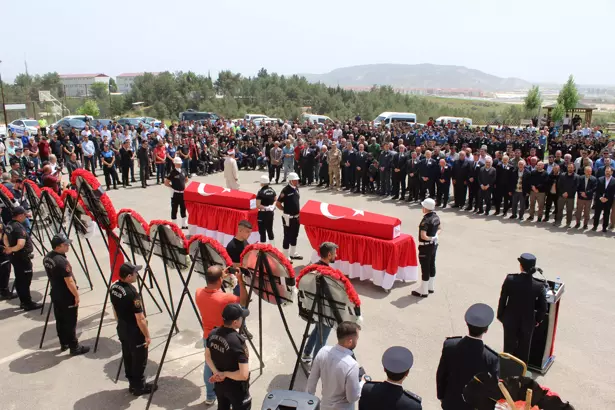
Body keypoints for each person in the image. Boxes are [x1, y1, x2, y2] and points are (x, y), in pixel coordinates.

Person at [196, 266, 248, 406]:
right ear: (220, 279)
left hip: (209, 335)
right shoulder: (225, 298)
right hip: (225, 337)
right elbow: (243, 301)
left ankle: (210, 395)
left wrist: (219, 278)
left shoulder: (198, 292)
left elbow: (210, 286)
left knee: (209, 365)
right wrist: (240, 281)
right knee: (227, 366)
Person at [436, 303, 499, 410]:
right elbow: (493, 389)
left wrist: (442, 397)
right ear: (486, 330)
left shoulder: (450, 345)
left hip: (450, 402)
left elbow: (441, 374)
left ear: (467, 324)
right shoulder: (491, 358)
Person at [110, 262, 156, 396]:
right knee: (139, 359)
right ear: (129, 276)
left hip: (122, 327)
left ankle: (132, 383)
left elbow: (114, 308)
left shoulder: (114, 287)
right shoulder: (132, 293)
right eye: (135, 273)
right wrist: (147, 335)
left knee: (128, 355)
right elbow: (140, 318)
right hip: (134, 330)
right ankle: (139, 387)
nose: (137, 274)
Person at [497, 253, 548, 366]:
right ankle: (520, 375)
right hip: (528, 322)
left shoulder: (510, 279)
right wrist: (537, 321)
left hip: (509, 320)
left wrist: (501, 315)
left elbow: (503, 299)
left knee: (508, 347)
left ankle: (506, 373)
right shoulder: (538, 285)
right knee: (524, 349)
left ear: (521, 266)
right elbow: (543, 307)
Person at [43, 234, 89, 355]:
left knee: (60, 319)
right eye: (65, 244)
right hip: (66, 295)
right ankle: (74, 346)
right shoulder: (61, 261)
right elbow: (69, 281)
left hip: (56, 292)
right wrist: (76, 295)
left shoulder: (48, 257)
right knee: (70, 321)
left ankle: (64, 343)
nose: (68, 246)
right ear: (58, 247)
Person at [306, 321, 364, 410]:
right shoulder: (352, 365)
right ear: (350, 341)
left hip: (324, 406)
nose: (357, 341)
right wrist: (362, 383)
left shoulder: (323, 351)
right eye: (357, 338)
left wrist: (309, 403)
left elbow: (312, 381)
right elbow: (352, 397)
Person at [205, 303, 252, 410]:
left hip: (220, 385)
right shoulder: (237, 342)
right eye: (242, 318)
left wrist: (216, 372)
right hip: (236, 388)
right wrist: (224, 374)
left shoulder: (213, 333)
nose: (243, 320)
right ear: (235, 322)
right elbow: (243, 375)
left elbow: (207, 356)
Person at [301, 242, 338, 363]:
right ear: (328, 255)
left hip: (313, 307)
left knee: (317, 329)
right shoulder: (328, 273)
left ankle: (307, 352)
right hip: (325, 310)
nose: (336, 256)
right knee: (322, 338)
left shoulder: (312, 268)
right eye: (334, 254)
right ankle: (317, 364)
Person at [3, 207, 41, 310]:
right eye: (24, 215)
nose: (25, 217)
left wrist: (8, 248)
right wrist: (11, 249)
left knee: (19, 279)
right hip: (22, 258)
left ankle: (24, 301)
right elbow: (20, 244)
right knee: (25, 280)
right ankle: (27, 303)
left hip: (15, 258)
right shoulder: (18, 227)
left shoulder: (9, 225)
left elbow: (5, 237)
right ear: (19, 216)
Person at [412, 198, 441, 298]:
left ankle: (423, 290)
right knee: (432, 264)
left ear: (425, 208)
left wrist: (431, 238)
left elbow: (423, 235)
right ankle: (430, 286)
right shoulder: (436, 217)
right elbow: (440, 228)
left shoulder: (425, 221)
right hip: (434, 245)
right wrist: (435, 236)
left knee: (425, 267)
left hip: (425, 246)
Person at [276, 172, 303, 261]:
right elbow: (278, 203)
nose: (297, 181)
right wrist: (285, 210)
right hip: (288, 217)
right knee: (287, 235)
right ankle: (285, 255)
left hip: (296, 217)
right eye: (295, 180)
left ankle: (293, 253)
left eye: (297, 180)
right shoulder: (285, 190)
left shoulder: (296, 188)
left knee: (295, 235)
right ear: (291, 180)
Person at [164, 157, 188, 229]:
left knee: (183, 208)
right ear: (175, 164)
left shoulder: (183, 170)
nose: (180, 165)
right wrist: (172, 187)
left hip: (182, 193)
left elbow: (186, 179)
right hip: (175, 193)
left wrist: (182, 185)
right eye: (178, 164)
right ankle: (174, 225)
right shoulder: (172, 172)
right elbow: (166, 182)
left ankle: (184, 224)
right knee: (174, 209)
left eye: (180, 163)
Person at [593, 166, 615, 232]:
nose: (607, 173)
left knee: (606, 214)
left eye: (609, 172)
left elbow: (613, 192)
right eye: (606, 172)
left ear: (612, 172)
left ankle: (604, 227)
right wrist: (600, 197)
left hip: (608, 201)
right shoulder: (600, 179)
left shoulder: (614, 181)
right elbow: (597, 190)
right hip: (599, 199)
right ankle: (595, 226)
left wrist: (607, 198)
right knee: (597, 214)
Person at [256, 176, 276, 244]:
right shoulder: (272, 190)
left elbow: (258, 205)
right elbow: (275, 200)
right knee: (270, 230)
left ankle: (263, 249)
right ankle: (273, 247)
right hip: (270, 213)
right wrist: (272, 206)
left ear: (262, 183)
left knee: (262, 232)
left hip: (262, 214)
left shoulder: (261, 192)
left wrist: (265, 208)